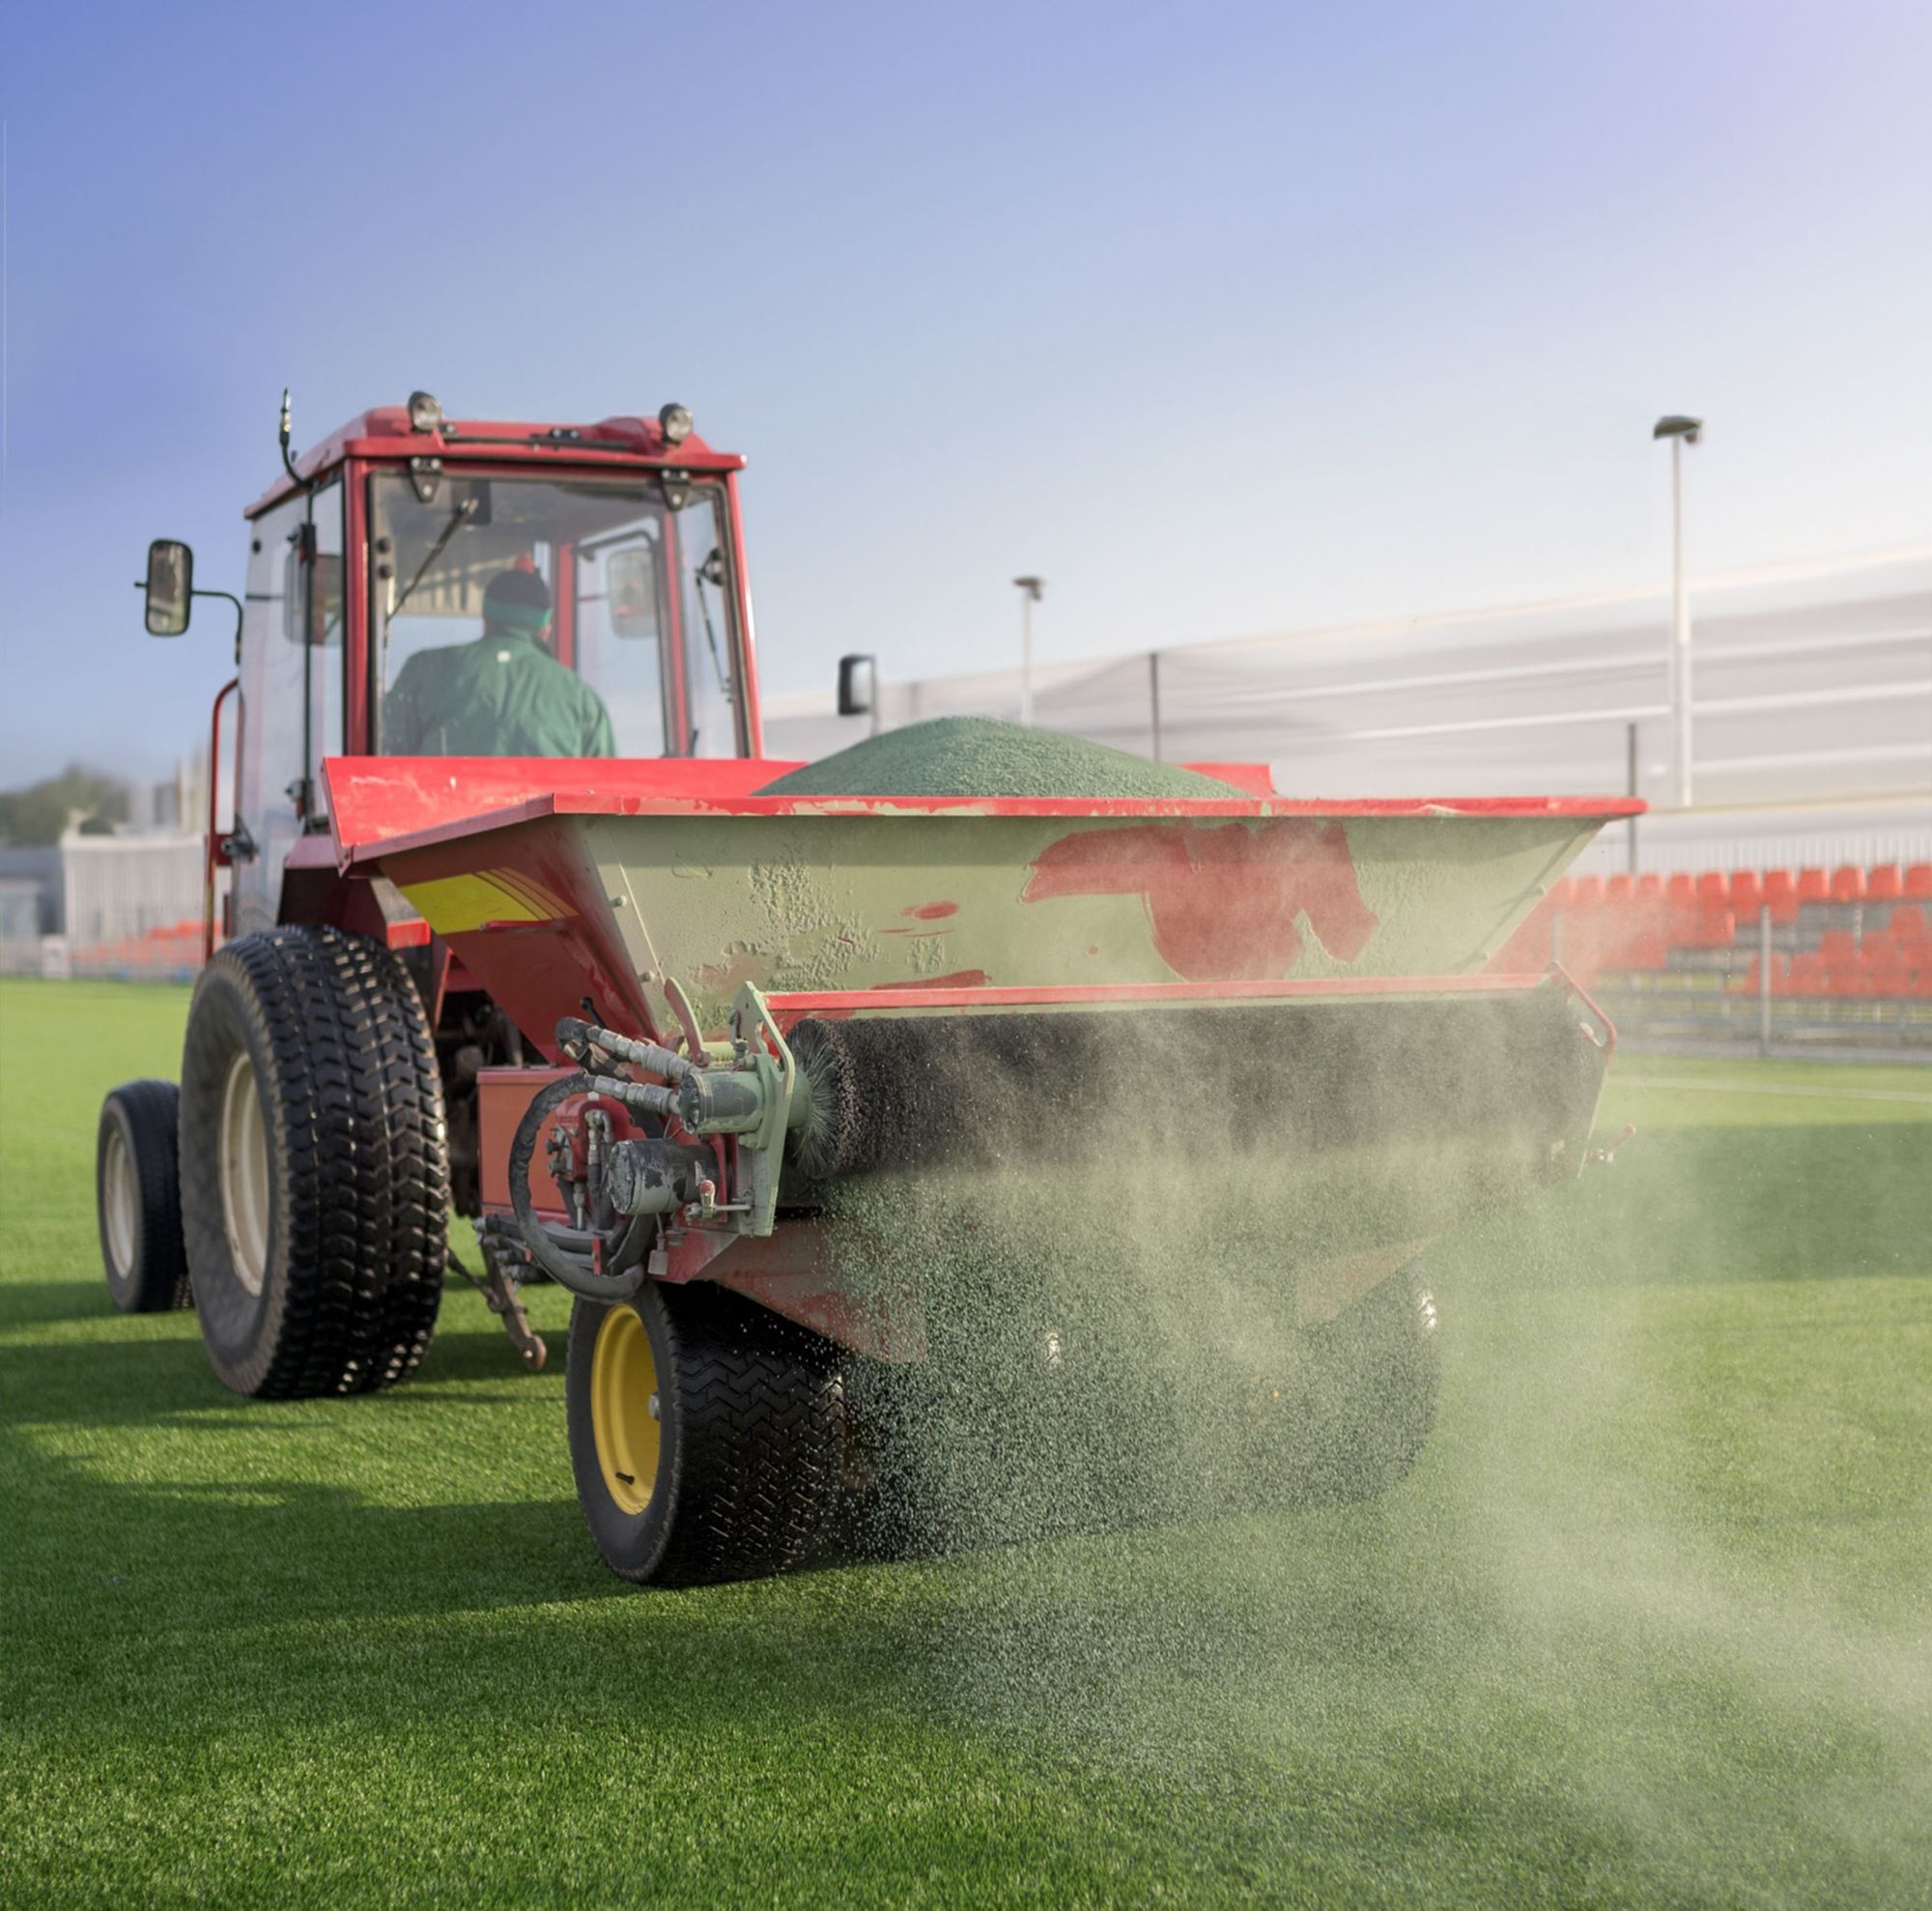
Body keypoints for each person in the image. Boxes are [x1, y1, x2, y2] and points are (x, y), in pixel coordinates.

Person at [384, 568, 616, 756]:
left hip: (439, 812)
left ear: (486, 619)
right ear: (545, 629)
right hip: (547, 816)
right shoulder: (580, 698)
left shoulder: (424, 670)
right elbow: (606, 792)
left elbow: (384, 757)